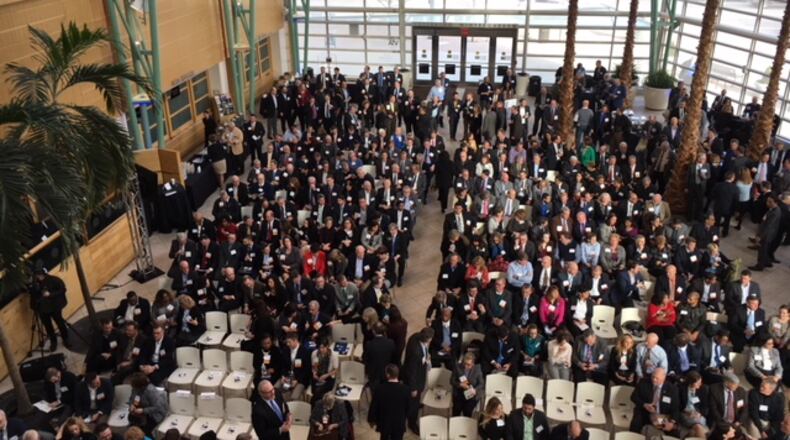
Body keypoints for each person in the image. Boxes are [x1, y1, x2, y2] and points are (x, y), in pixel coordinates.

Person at [402, 327, 434, 434]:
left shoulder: (415, 336)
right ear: (428, 339)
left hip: (416, 374)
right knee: (414, 403)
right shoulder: (416, 352)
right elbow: (412, 371)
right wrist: (413, 388)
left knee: (414, 400)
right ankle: (412, 423)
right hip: (414, 381)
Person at [29, 268, 71, 350]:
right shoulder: (35, 284)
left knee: (60, 323)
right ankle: (53, 342)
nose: (39, 277)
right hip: (42, 309)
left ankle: (66, 339)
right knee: (48, 326)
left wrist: (50, 294)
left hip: (54, 307)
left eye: (40, 275)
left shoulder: (54, 280)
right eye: (37, 275)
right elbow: (33, 295)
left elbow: (63, 289)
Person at [629, 368, 679, 433]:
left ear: (664, 377)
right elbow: (633, 397)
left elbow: (675, 408)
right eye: (653, 377)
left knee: (674, 432)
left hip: (663, 415)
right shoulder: (643, 382)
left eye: (657, 378)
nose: (654, 380)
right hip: (644, 412)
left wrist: (672, 422)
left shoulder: (672, 389)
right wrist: (644, 404)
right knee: (635, 424)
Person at [678, 371, 709, 439]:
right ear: (690, 382)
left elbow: (705, 406)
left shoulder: (703, 389)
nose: (700, 384)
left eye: (700, 382)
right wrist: (688, 412)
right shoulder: (681, 388)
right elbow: (678, 405)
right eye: (697, 383)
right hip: (685, 414)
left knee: (694, 431)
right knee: (698, 427)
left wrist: (699, 413)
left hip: (698, 414)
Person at [452, 353, 484, 417]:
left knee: (467, 411)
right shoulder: (458, 366)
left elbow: (481, 383)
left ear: (473, 364)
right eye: (465, 363)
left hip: (472, 393)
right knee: (456, 410)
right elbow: (452, 381)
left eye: (468, 365)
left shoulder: (477, 369)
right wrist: (460, 384)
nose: (466, 366)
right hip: (460, 391)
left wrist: (475, 390)